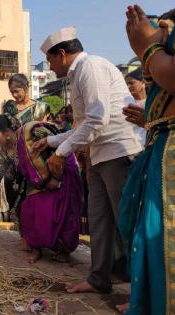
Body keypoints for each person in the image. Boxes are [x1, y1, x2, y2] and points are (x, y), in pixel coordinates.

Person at [34, 26, 143, 294]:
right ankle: (98, 279)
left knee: (127, 224)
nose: (49, 67)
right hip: (99, 156)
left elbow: (97, 119)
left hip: (118, 152)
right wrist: (49, 142)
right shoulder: (79, 73)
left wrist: (61, 152)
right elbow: (83, 125)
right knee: (98, 221)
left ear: (61, 54)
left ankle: (143, 292)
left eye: (49, 60)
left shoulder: (90, 67)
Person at [118, 6, 175, 314]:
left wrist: (148, 47)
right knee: (146, 240)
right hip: (158, 158)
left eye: (166, 30)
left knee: (161, 244)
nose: (160, 35)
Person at [0, 114, 82, 262]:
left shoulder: (31, 131)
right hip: (38, 180)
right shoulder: (6, 153)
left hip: (62, 171)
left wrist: (56, 178)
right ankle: (36, 248)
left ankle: (63, 249)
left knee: (63, 214)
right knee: (30, 210)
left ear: (7, 132)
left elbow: (61, 145)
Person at [124, 67, 147, 146]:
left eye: (131, 83)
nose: (128, 87)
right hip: (133, 146)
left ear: (143, 82)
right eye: (126, 84)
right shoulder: (126, 103)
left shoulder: (152, 102)